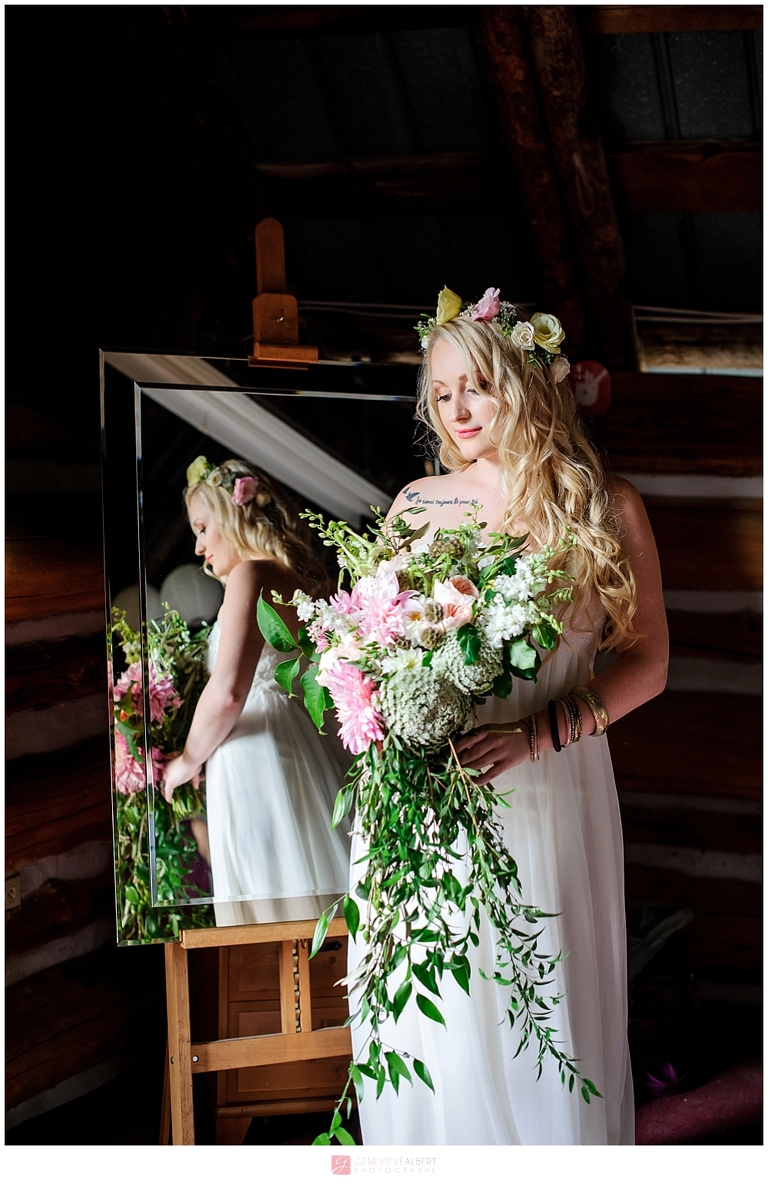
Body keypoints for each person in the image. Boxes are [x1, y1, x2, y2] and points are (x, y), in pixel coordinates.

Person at [347, 292, 668, 1145]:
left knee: (540, 1001)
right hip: (427, 797)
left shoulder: (604, 505)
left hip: (547, 789)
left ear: (526, 386)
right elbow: (382, 640)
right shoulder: (416, 504)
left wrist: (537, 735)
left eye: (477, 387)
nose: (456, 410)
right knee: (438, 1009)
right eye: (441, 391)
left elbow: (650, 665)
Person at [162, 457, 350, 926]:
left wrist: (187, 761)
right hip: (302, 753)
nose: (199, 546)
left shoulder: (251, 574)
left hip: (258, 763)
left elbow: (228, 693)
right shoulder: (311, 582)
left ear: (233, 514)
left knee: (274, 920)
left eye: (204, 528)